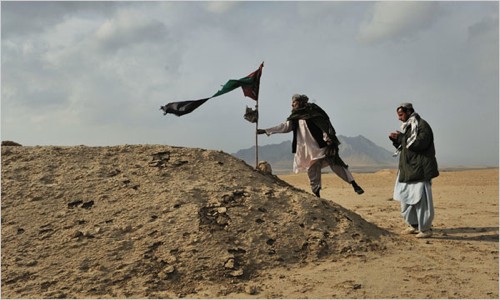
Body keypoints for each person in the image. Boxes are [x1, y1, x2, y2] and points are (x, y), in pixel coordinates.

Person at [257, 94, 364, 197]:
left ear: (300, 102)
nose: (292, 105)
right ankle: (317, 195)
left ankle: (354, 185)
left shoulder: (313, 112)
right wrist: (266, 130)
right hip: (307, 149)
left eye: (294, 102)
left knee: (336, 163)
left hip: (321, 146)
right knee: (312, 171)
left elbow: (324, 127)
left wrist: (329, 139)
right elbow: (285, 127)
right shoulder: (294, 116)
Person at [389, 103, 439, 238]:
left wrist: (401, 138)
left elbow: (418, 144)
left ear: (409, 111)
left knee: (421, 201)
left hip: (420, 171)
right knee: (405, 199)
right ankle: (414, 225)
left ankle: (426, 229)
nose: (399, 118)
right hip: (408, 170)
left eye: (401, 115)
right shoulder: (410, 127)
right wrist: (396, 140)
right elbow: (407, 146)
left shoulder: (422, 125)